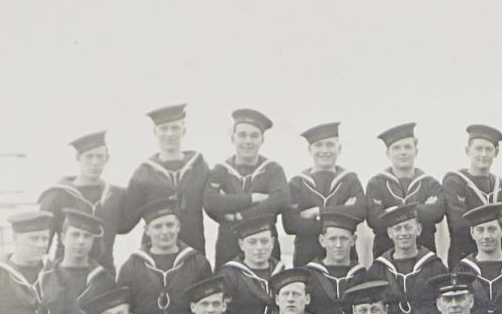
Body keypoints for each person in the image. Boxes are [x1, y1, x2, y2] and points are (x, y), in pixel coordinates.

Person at [113, 194, 209, 314]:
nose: (165, 232)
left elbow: (208, 307)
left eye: (170, 225)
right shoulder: (130, 267)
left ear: (178, 226)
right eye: (157, 226)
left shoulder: (198, 263)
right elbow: (120, 313)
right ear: (147, 230)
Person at [119, 104, 212, 258]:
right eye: (164, 128)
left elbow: (213, 203)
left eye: (174, 128)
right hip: (156, 256)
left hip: (193, 251)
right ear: (155, 132)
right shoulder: (143, 174)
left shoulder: (199, 166)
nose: (169, 134)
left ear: (183, 130)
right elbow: (125, 222)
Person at [205, 109, 290, 265]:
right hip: (228, 243)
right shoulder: (220, 170)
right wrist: (253, 198)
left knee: (268, 286)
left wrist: (239, 216)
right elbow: (210, 203)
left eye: (254, 135)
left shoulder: (273, 169)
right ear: (233, 138)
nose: (248, 141)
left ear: (262, 139)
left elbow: (281, 200)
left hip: (264, 245)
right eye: (242, 135)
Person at [283, 122, 364, 266]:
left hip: (345, 259)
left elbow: (359, 212)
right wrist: (342, 215)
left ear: (339, 149)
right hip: (307, 257)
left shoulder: (350, 179)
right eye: (318, 145)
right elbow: (290, 224)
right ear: (309, 149)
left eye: (330, 145)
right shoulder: (297, 184)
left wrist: (317, 212)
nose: (325, 150)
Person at [363, 122, 445, 260]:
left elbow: (437, 213)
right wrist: (421, 208)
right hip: (386, 257)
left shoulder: (430, 183)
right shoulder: (376, 184)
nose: (403, 152)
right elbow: (374, 220)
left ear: (416, 151)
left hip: (424, 256)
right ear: (388, 153)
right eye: (396, 148)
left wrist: (390, 211)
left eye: (407, 147)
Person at [39, 131, 121, 268]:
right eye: (89, 157)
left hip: (104, 276)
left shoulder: (115, 195)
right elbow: (42, 243)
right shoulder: (57, 195)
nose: (94, 162)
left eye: (99, 157)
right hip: (66, 276)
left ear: (107, 159)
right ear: (78, 158)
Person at [441, 123, 502, 259]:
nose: (483, 154)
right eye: (478, 149)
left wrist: (485, 220)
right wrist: (497, 225)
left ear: (496, 152)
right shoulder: (454, 182)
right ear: (467, 150)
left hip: (497, 258)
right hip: (464, 258)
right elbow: (459, 224)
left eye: (488, 149)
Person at [366, 202, 445, 314]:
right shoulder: (378, 269)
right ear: (389, 233)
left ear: (418, 229)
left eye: (408, 227)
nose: (403, 233)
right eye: (397, 229)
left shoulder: (435, 266)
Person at [303, 208, 367, 314]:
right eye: (332, 239)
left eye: (343, 239)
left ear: (353, 240)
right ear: (322, 241)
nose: (338, 245)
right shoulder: (308, 276)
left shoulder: (362, 275)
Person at [214, 215, 280, 314]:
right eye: (252, 242)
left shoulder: (280, 271)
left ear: (272, 242)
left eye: (264, 241)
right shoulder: (229, 275)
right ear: (241, 244)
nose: (259, 247)